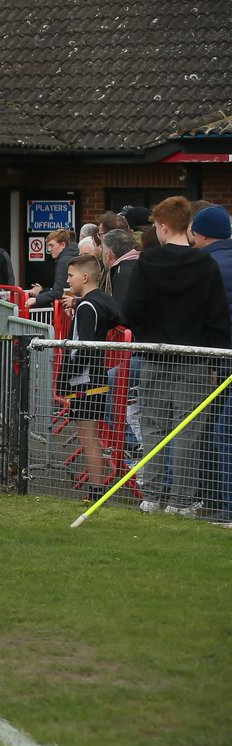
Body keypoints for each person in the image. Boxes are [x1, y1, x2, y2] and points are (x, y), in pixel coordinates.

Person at [122, 197, 231, 516]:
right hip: (194, 357)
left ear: (164, 226)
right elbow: (217, 319)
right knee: (189, 431)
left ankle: (152, 496)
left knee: (154, 427)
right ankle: (181, 501)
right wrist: (214, 362)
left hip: (156, 355)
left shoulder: (148, 261)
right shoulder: (205, 264)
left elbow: (130, 311)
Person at [58, 255, 120, 502]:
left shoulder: (87, 307)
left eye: (71, 275)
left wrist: (66, 380)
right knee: (90, 435)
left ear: (84, 277)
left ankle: (96, 492)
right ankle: (96, 490)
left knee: (88, 436)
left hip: (86, 382)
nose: (67, 280)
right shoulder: (98, 301)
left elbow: (81, 347)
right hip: (93, 379)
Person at [190, 205, 232, 520]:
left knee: (213, 429)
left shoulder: (205, 264)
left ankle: (218, 500)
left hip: (216, 359)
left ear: (202, 234)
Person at [26, 229, 77, 309]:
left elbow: (58, 292)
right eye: (48, 246)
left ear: (62, 245)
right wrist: (42, 291)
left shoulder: (63, 261)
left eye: (52, 245)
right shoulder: (73, 256)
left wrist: (36, 299)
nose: (49, 250)